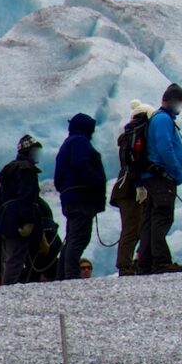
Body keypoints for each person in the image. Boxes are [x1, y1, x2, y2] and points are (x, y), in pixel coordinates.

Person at [139, 84, 182, 275]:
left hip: (153, 177)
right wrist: (176, 172)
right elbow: (165, 148)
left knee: (151, 219)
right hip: (161, 177)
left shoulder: (158, 118)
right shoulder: (164, 120)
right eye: (180, 104)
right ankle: (161, 261)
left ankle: (145, 263)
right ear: (171, 101)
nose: (180, 108)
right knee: (162, 217)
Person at [53, 113, 106, 280]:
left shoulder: (66, 145)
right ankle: (71, 276)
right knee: (79, 238)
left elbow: (58, 178)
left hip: (70, 198)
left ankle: (62, 275)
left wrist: (67, 191)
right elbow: (80, 164)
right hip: (81, 198)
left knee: (72, 238)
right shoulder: (80, 142)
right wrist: (96, 181)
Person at [0, 135, 49, 285]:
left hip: (8, 217)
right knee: (16, 257)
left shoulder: (10, 169)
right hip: (20, 218)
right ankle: (10, 288)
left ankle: (9, 285)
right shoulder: (26, 169)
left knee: (11, 256)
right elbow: (27, 197)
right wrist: (29, 221)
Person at [110, 101, 152, 275]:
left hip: (125, 188)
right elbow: (135, 163)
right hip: (131, 188)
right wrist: (140, 185)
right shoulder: (138, 135)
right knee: (133, 227)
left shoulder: (129, 135)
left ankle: (133, 262)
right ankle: (125, 265)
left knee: (135, 226)